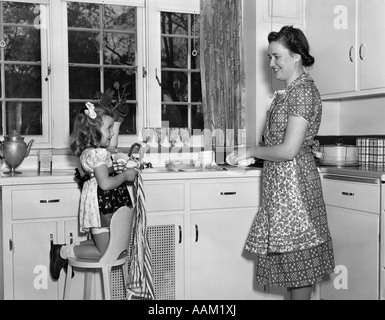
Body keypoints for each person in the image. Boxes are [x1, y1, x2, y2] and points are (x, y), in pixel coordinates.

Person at [229, 26, 335, 300]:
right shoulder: (290, 92)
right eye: (269, 57)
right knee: (291, 268)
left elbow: (288, 150)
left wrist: (251, 150)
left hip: (294, 190)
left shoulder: (301, 93)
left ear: (297, 56)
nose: (271, 63)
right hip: (283, 189)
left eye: (277, 56)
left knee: (299, 267)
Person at [50, 102, 137, 281]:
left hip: (102, 205)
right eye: (109, 128)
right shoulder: (98, 154)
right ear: (94, 131)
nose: (112, 133)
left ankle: (66, 249)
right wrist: (125, 176)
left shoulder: (93, 152)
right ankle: (63, 251)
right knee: (105, 251)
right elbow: (105, 184)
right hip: (102, 208)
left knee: (107, 244)